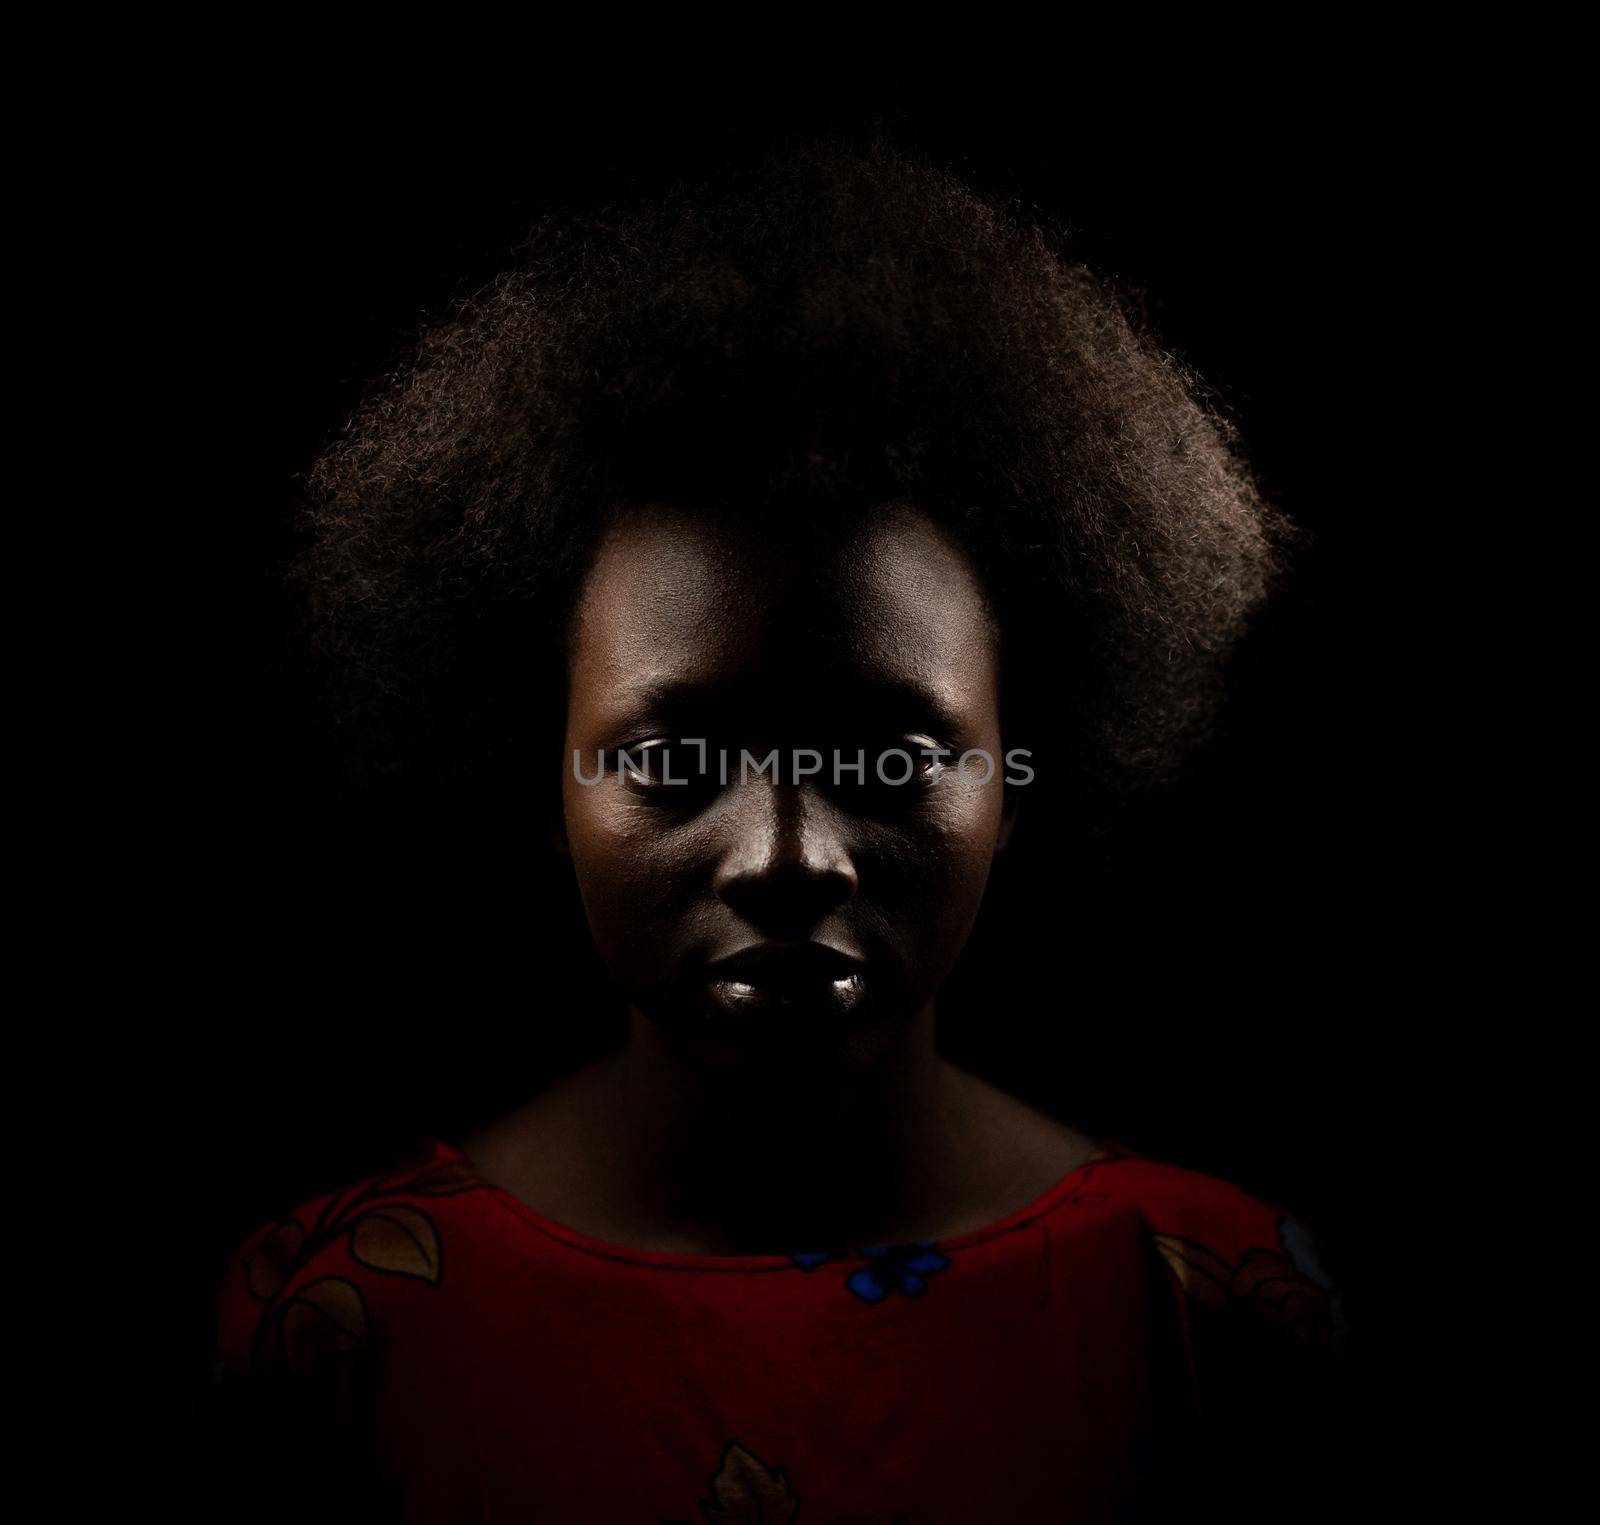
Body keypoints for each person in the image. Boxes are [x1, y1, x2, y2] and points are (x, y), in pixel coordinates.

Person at [213, 135, 1350, 1522]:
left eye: (887, 755)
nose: (786, 856)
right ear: (544, 771)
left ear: (1020, 766)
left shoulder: (1219, 1311)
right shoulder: (332, 1329)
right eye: (678, 758)